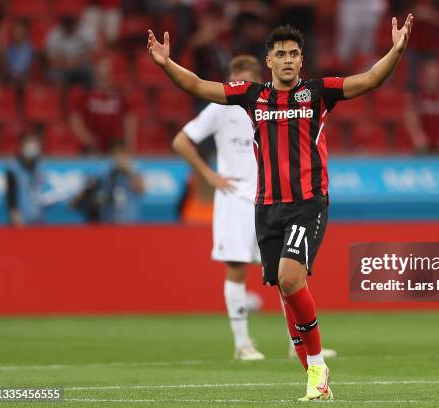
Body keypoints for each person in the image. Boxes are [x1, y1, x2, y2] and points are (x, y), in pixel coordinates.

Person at [147, 14, 414, 401]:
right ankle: (314, 377)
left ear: (301, 60)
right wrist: (166, 64)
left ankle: (318, 365)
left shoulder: (319, 93)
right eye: (280, 54)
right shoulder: (252, 96)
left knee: (291, 279)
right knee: (285, 290)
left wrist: (396, 50)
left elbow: (370, 79)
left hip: (308, 203)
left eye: (293, 54)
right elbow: (198, 85)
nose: (287, 60)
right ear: (268, 61)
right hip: (267, 207)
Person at [172, 55, 266, 361]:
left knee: (285, 271)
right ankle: (242, 344)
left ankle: (299, 345)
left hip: (269, 196)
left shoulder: (269, 104)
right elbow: (181, 141)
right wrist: (209, 175)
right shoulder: (220, 107)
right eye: (236, 79)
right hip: (234, 195)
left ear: (257, 78)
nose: (241, 85)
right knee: (237, 266)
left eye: (247, 79)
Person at [69, 57, 137, 153]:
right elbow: (75, 118)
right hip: (92, 148)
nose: (103, 76)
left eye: (106, 75)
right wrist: (86, 138)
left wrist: (129, 144)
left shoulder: (120, 95)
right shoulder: (86, 95)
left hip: (116, 145)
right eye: (101, 75)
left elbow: (130, 119)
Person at [5, 133, 46, 226]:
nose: (32, 145)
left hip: (38, 219)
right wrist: (15, 216)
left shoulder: (39, 165)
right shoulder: (13, 167)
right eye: (29, 142)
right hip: (20, 221)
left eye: (35, 142)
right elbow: (10, 194)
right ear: (21, 145)